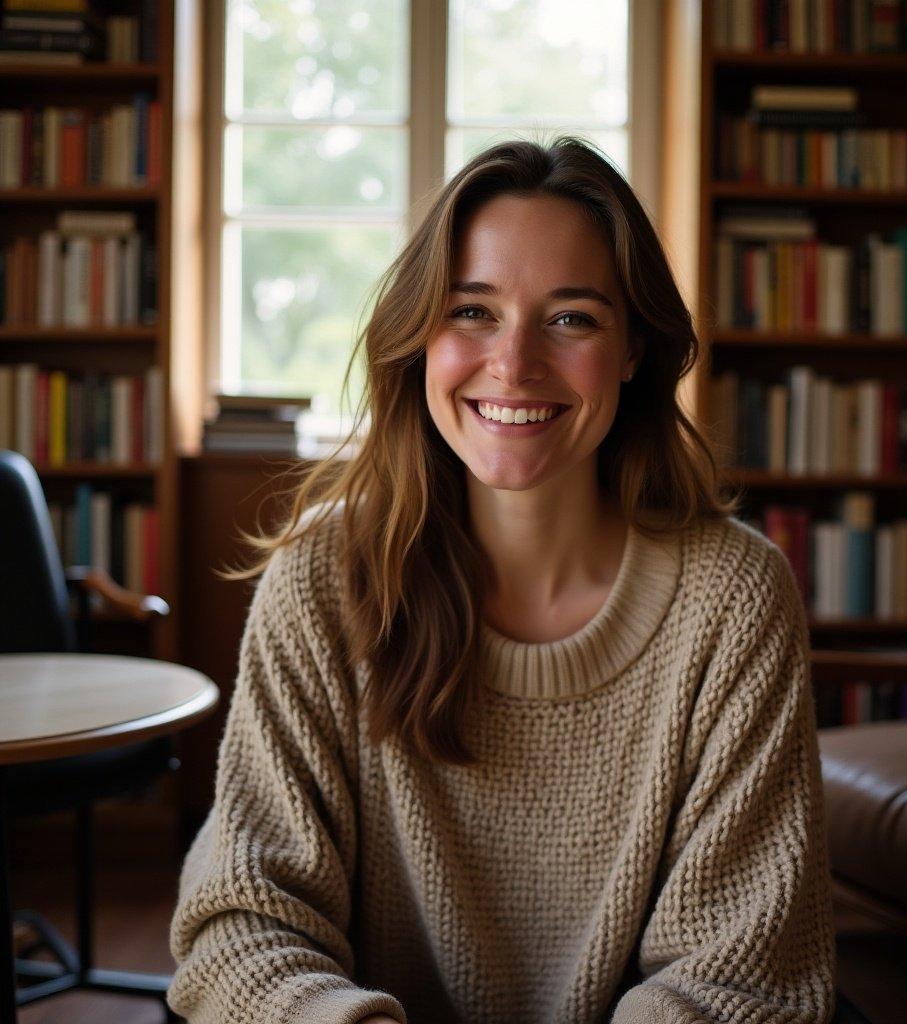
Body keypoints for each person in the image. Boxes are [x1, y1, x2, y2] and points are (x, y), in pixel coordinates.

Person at [167, 137, 837, 1024]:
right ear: (419, 337)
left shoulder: (735, 600)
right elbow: (243, 921)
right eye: (472, 311)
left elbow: (743, 973)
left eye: (572, 318)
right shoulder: (322, 583)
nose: (515, 363)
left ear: (635, 348)